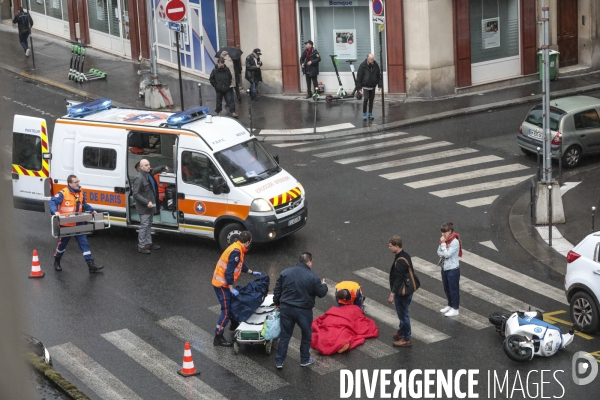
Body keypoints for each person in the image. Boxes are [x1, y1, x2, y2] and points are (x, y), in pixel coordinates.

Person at [273, 252, 328, 369]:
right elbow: (321, 293)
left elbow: (277, 290)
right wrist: (324, 285)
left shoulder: (285, 273)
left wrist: (277, 303)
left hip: (286, 309)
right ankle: (304, 359)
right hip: (303, 311)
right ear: (309, 262)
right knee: (306, 335)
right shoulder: (313, 277)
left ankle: (279, 361)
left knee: (285, 336)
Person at [212, 231, 261, 346]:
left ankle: (233, 323)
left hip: (221, 283)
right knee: (226, 311)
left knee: (232, 302)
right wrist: (230, 288)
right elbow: (229, 272)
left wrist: (251, 272)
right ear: (247, 242)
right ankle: (218, 336)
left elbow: (239, 265)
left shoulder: (237, 248)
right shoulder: (236, 251)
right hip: (221, 285)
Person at [49, 175, 103, 273]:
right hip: (67, 224)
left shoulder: (80, 193)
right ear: (70, 183)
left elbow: (84, 205)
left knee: (84, 243)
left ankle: (90, 264)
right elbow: (52, 202)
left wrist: (92, 210)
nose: (78, 183)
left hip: (78, 223)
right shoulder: (63, 193)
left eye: (78, 181)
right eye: (75, 182)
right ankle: (57, 261)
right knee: (62, 245)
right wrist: (55, 212)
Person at [387, 235, 413, 347]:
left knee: (403, 314)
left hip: (402, 292)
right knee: (402, 312)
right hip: (407, 290)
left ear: (397, 246)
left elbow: (398, 279)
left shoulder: (400, 260)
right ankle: (401, 332)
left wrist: (392, 294)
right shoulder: (404, 255)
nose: (389, 248)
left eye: (391, 246)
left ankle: (407, 338)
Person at [132, 159, 162, 254]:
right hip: (144, 207)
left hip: (150, 205)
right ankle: (141, 246)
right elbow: (135, 194)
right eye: (146, 165)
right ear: (141, 167)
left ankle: (148, 243)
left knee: (149, 225)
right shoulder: (139, 178)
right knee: (144, 226)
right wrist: (146, 202)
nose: (148, 166)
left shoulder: (148, 175)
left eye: (149, 164)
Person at [437, 222, 463, 317]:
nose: (443, 235)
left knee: (453, 289)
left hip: (453, 269)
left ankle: (455, 308)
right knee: (446, 288)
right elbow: (438, 252)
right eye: (442, 232)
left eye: (445, 232)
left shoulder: (454, 242)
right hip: (445, 267)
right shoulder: (445, 241)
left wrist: (443, 245)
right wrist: (443, 246)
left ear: (450, 231)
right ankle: (450, 305)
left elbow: (447, 254)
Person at [356, 54, 383, 121]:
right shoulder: (363, 65)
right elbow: (359, 76)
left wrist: (379, 85)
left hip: (372, 85)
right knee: (366, 99)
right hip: (365, 85)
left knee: (371, 99)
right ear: (367, 58)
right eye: (371, 59)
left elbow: (378, 75)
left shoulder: (376, 65)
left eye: (373, 59)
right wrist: (359, 87)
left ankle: (370, 113)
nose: (372, 60)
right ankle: (364, 113)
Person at [220, 51, 240, 116]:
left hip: (226, 82)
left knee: (227, 96)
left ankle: (231, 110)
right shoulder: (230, 59)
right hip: (231, 81)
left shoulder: (224, 61)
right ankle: (232, 111)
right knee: (230, 96)